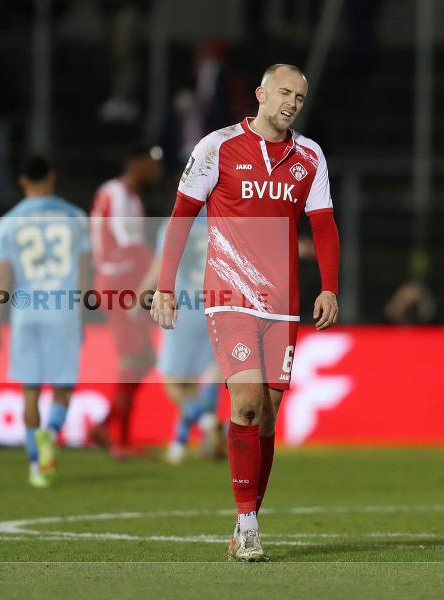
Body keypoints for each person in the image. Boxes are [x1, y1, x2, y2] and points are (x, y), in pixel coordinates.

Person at [151, 64, 341, 561]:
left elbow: (323, 225)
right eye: (284, 92)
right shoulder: (217, 146)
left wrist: (330, 288)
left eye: (300, 96)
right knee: (248, 401)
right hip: (230, 294)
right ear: (260, 93)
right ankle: (248, 522)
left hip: (283, 303)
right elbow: (181, 216)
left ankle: (247, 518)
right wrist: (165, 287)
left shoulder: (310, 157)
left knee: (270, 417)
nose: (293, 102)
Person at [0, 156, 90, 488]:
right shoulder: (76, 217)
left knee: (29, 390)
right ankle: (51, 432)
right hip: (63, 309)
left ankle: (35, 465)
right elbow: (86, 271)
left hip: (26, 312)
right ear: (52, 178)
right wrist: (85, 310)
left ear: (22, 181)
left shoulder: (9, 222)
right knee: (63, 387)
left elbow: (0, 276)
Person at [87, 145, 163, 456]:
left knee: (143, 358)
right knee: (134, 360)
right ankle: (120, 440)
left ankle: (106, 427)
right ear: (137, 161)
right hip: (119, 282)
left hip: (124, 281)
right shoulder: (118, 193)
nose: (157, 169)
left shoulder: (128, 195)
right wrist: (163, 262)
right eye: (152, 162)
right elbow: (129, 245)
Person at [139, 208, 222, 465]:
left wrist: (141, 293)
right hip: (217, 308)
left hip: (184, 309)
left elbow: (160, 266)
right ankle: (178, 446)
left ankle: (207, 422)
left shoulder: (175, 224)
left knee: (175, 384)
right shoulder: (226, 222)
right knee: (201, 384)